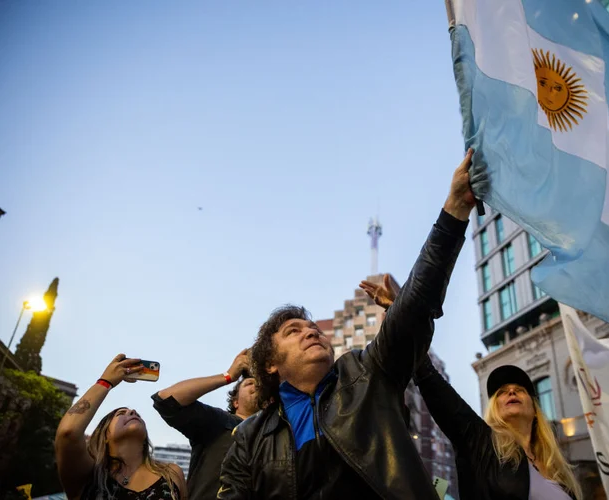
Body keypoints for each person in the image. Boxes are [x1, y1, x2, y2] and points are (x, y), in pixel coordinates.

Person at [218, 149, 476, 499]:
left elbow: (414, 310)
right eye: (293, 331)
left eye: (314, 329)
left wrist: (454, 212)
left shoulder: (367, 374)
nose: (311, 331)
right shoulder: (250, 437)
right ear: (270, 363)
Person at [362, 278, 582, 500]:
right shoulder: (481, 444)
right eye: (502, 392)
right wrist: (402, 317)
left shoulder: (559, 472)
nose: (512, 392)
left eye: (520, 389)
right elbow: (430, 380)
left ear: (535, 410)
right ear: (494, 408)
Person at [55, 354, 187, 500]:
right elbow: (68, 432)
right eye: (121, 414)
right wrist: (106, 381)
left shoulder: (171, 474)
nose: (132, 411)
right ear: (104, 435)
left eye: (135, 413)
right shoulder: (88, 474)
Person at [152, 349, 259, 500]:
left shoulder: (279, 432)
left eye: (262, 385)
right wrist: (228, 376)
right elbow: (166, 399)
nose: (257, 386)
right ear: (235, 401)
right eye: (249, 383)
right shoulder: (219, 420)